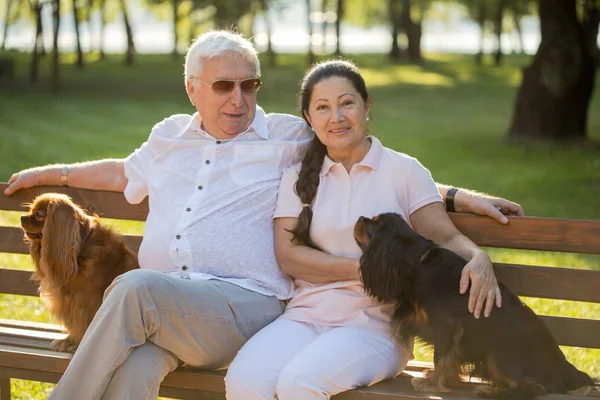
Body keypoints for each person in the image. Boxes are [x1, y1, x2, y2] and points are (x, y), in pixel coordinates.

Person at [4, 32, 523, 399]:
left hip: (241, 306)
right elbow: (122, 173)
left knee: (135, 287)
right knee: (134, 366)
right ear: (193, 90)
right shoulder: (168, 138)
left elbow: (362, 155)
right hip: (170, 312)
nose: (239, 98)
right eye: (224, 86)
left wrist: (461, 197)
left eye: (249, 85)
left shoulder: (285, 136)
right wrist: (55, 173)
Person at [224, 59, 516, 399]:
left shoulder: (404, 170)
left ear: (367, 105)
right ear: (309, 118)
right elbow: (289, 258)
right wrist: (371, 270)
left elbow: (445, 237)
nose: (337, 117)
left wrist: (478, 257)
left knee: (299, 384)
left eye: (347, 103)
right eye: (323, 107)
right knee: (245, 383)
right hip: (305, 316)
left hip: (376, 327)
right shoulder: (297, 177)